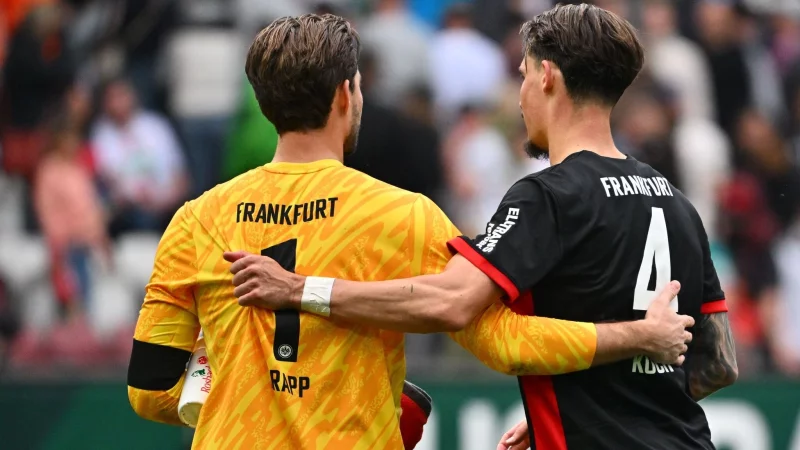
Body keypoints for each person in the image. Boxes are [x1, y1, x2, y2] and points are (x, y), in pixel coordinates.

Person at [127, 13, 693, 450]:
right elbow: (506, 343)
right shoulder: (401, 216)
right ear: (348, 95)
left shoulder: (196, 219)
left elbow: (149, 390)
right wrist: (633, 336)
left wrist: (232, 383)